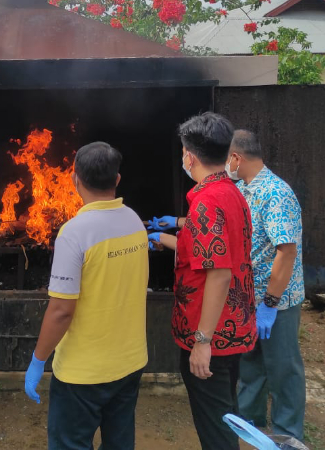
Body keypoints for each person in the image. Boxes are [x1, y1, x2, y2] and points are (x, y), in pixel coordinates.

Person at [24, 142, 149, 450]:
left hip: (83, 373)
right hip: (130, 362)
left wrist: (38, 359)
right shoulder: (134, 221)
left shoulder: (74, 233)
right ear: (117, 179)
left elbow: (61, 311)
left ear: (74, 179)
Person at [147, 112, 256, 450]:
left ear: (189, 156)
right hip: (235, 329)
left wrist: (203, 341)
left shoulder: (206, 203)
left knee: (217, 432)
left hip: (213, 338)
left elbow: (219, 273)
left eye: (183, 152)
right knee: (227, 416)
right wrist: (161, 238)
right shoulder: (231, 193)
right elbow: (210, 255)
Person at [226, 130, 306, 441]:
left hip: (277, 304)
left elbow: (286, 252)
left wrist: (269, 305)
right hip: (252, 299)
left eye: (226, 159)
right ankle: (250, 427)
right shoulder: (246, 189)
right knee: (251, 366)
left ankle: (288, 437)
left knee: (283, 370)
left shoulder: (275, 194)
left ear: (236, 158)